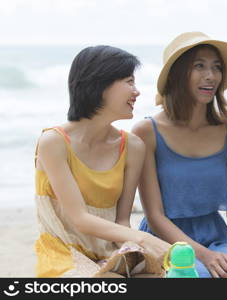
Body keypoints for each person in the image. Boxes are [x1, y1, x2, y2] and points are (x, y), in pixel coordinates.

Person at [132, 32, 227, 278]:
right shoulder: (146, 132)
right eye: (199, 66)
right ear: (177, 74)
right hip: (165, 242)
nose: (211, 76)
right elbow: (155, 216)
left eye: (217, 67)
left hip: (216, 240)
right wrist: (203, 256)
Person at [34, 45, 170, 278]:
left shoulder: (133, 147)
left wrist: (137, 250)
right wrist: (145, 238)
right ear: (99, 84)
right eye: (129, 82)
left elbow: (122, 221)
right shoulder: (54, 142)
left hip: (110, 252)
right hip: (63, 255)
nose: (136, 91)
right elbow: (80, 220)